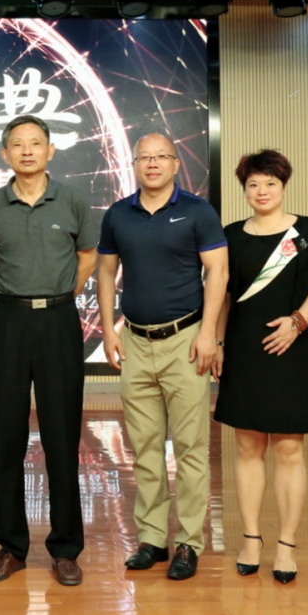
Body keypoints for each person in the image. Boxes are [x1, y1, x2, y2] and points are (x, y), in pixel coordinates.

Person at [96, 132, 228, 581]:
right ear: (135, 165)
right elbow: (107, 272)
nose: (152, 164)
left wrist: (209, 334)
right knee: (145, 447)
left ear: (174, 164)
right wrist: (108, 331)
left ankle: (189, 542)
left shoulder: (197, 211)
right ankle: (152, 539)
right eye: (145, 158)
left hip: (185, 341)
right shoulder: (118, 214)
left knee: (190, 448)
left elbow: (218, 271)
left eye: (161, 157)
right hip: (135, 341)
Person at [0, 115, 98, 586]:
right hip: (9, 320)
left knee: (62, 437)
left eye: (35, 143)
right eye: (18, 145)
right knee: (6, 436)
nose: (27, 151)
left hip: (59, 321)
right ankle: (11, 547)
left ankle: (65, 549)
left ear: (50, 150)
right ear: (5, 154)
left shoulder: (72, 200)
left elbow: (87, 256)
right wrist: (17, 296)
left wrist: (60, 292)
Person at [212, 150, 308, 584]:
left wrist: (297, 322)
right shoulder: (230, 235)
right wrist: (219, 343)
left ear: (283, 186)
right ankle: (250, 540)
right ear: (243, 189)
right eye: (253, 184)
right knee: (247, 448)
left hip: (291, 349)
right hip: (243, 351)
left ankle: (286, 544)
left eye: (270, 183)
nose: (261, 191)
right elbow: (224, 296)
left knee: (288, 449)